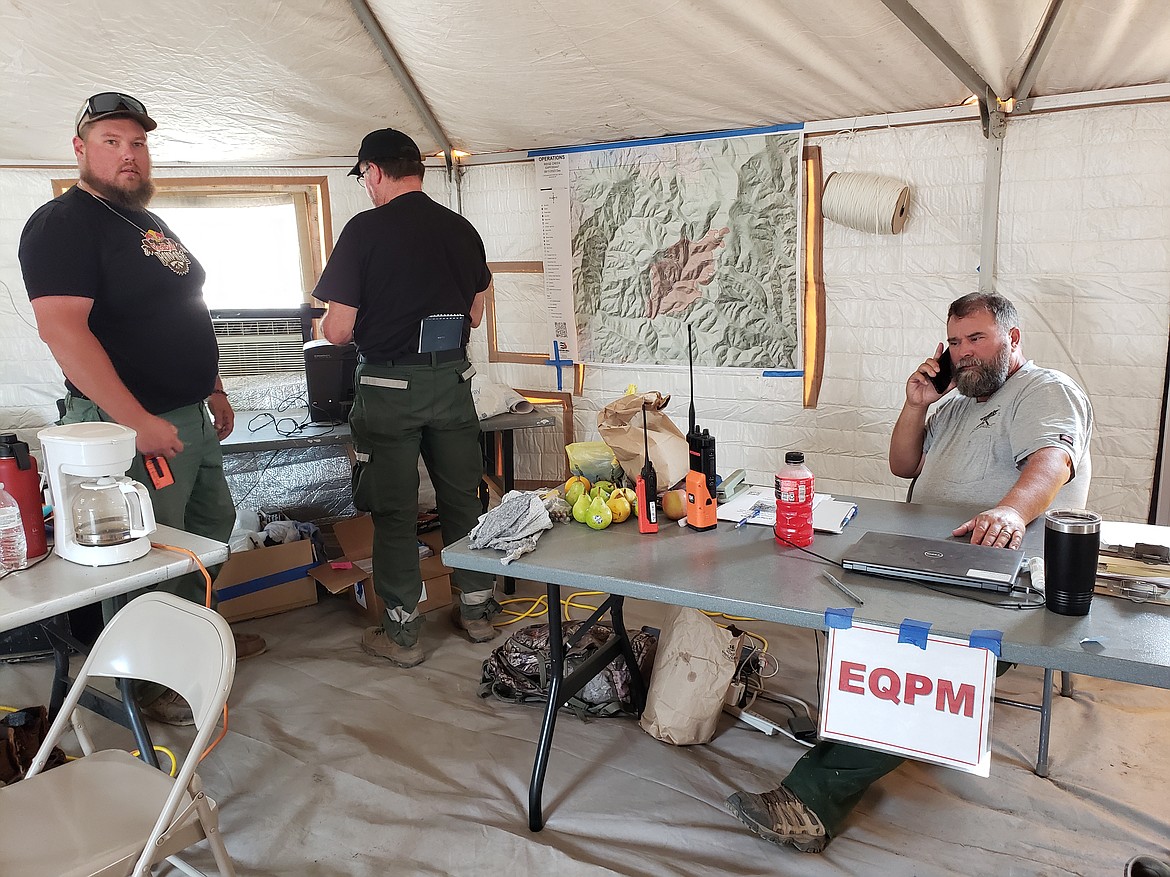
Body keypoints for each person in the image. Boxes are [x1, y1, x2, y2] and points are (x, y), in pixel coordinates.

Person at [727, 291, 1093, 852]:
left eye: (978, 338)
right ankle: (852, 730)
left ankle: (813, 800)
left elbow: (1052, 459)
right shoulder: (953, 403)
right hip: (933, 560)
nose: (964, 352)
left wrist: (1010, 511)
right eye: (954, 342)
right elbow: (902, 465)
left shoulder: (1043, 390)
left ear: (1013, 339)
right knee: (837, 599)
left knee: (920, 655)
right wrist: (918, 402)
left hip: (1003, 572)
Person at [18, 92, 265, 724]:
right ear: (80, 149)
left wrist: (211, 385)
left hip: (187, 413)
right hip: (126, 426)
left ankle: (194, 651)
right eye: (112, 142)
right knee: (145, 556)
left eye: (137, 142)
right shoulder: (63, 225)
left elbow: (185, 308)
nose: (129, 155)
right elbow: (64, 332)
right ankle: (149, 684)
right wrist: (135, 421)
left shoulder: (145, 222)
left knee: (205, 535)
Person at [312, 128, 499, 669]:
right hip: (453, 382)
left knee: (395, 509)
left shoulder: (363, 232)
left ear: (373, 172)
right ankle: (478, 612)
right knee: (463, 497)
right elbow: (478, 304)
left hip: (390, 389)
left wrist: (328, 321)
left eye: (365, 178)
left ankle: (402, 634)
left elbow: (340, 332)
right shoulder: (459, 228)